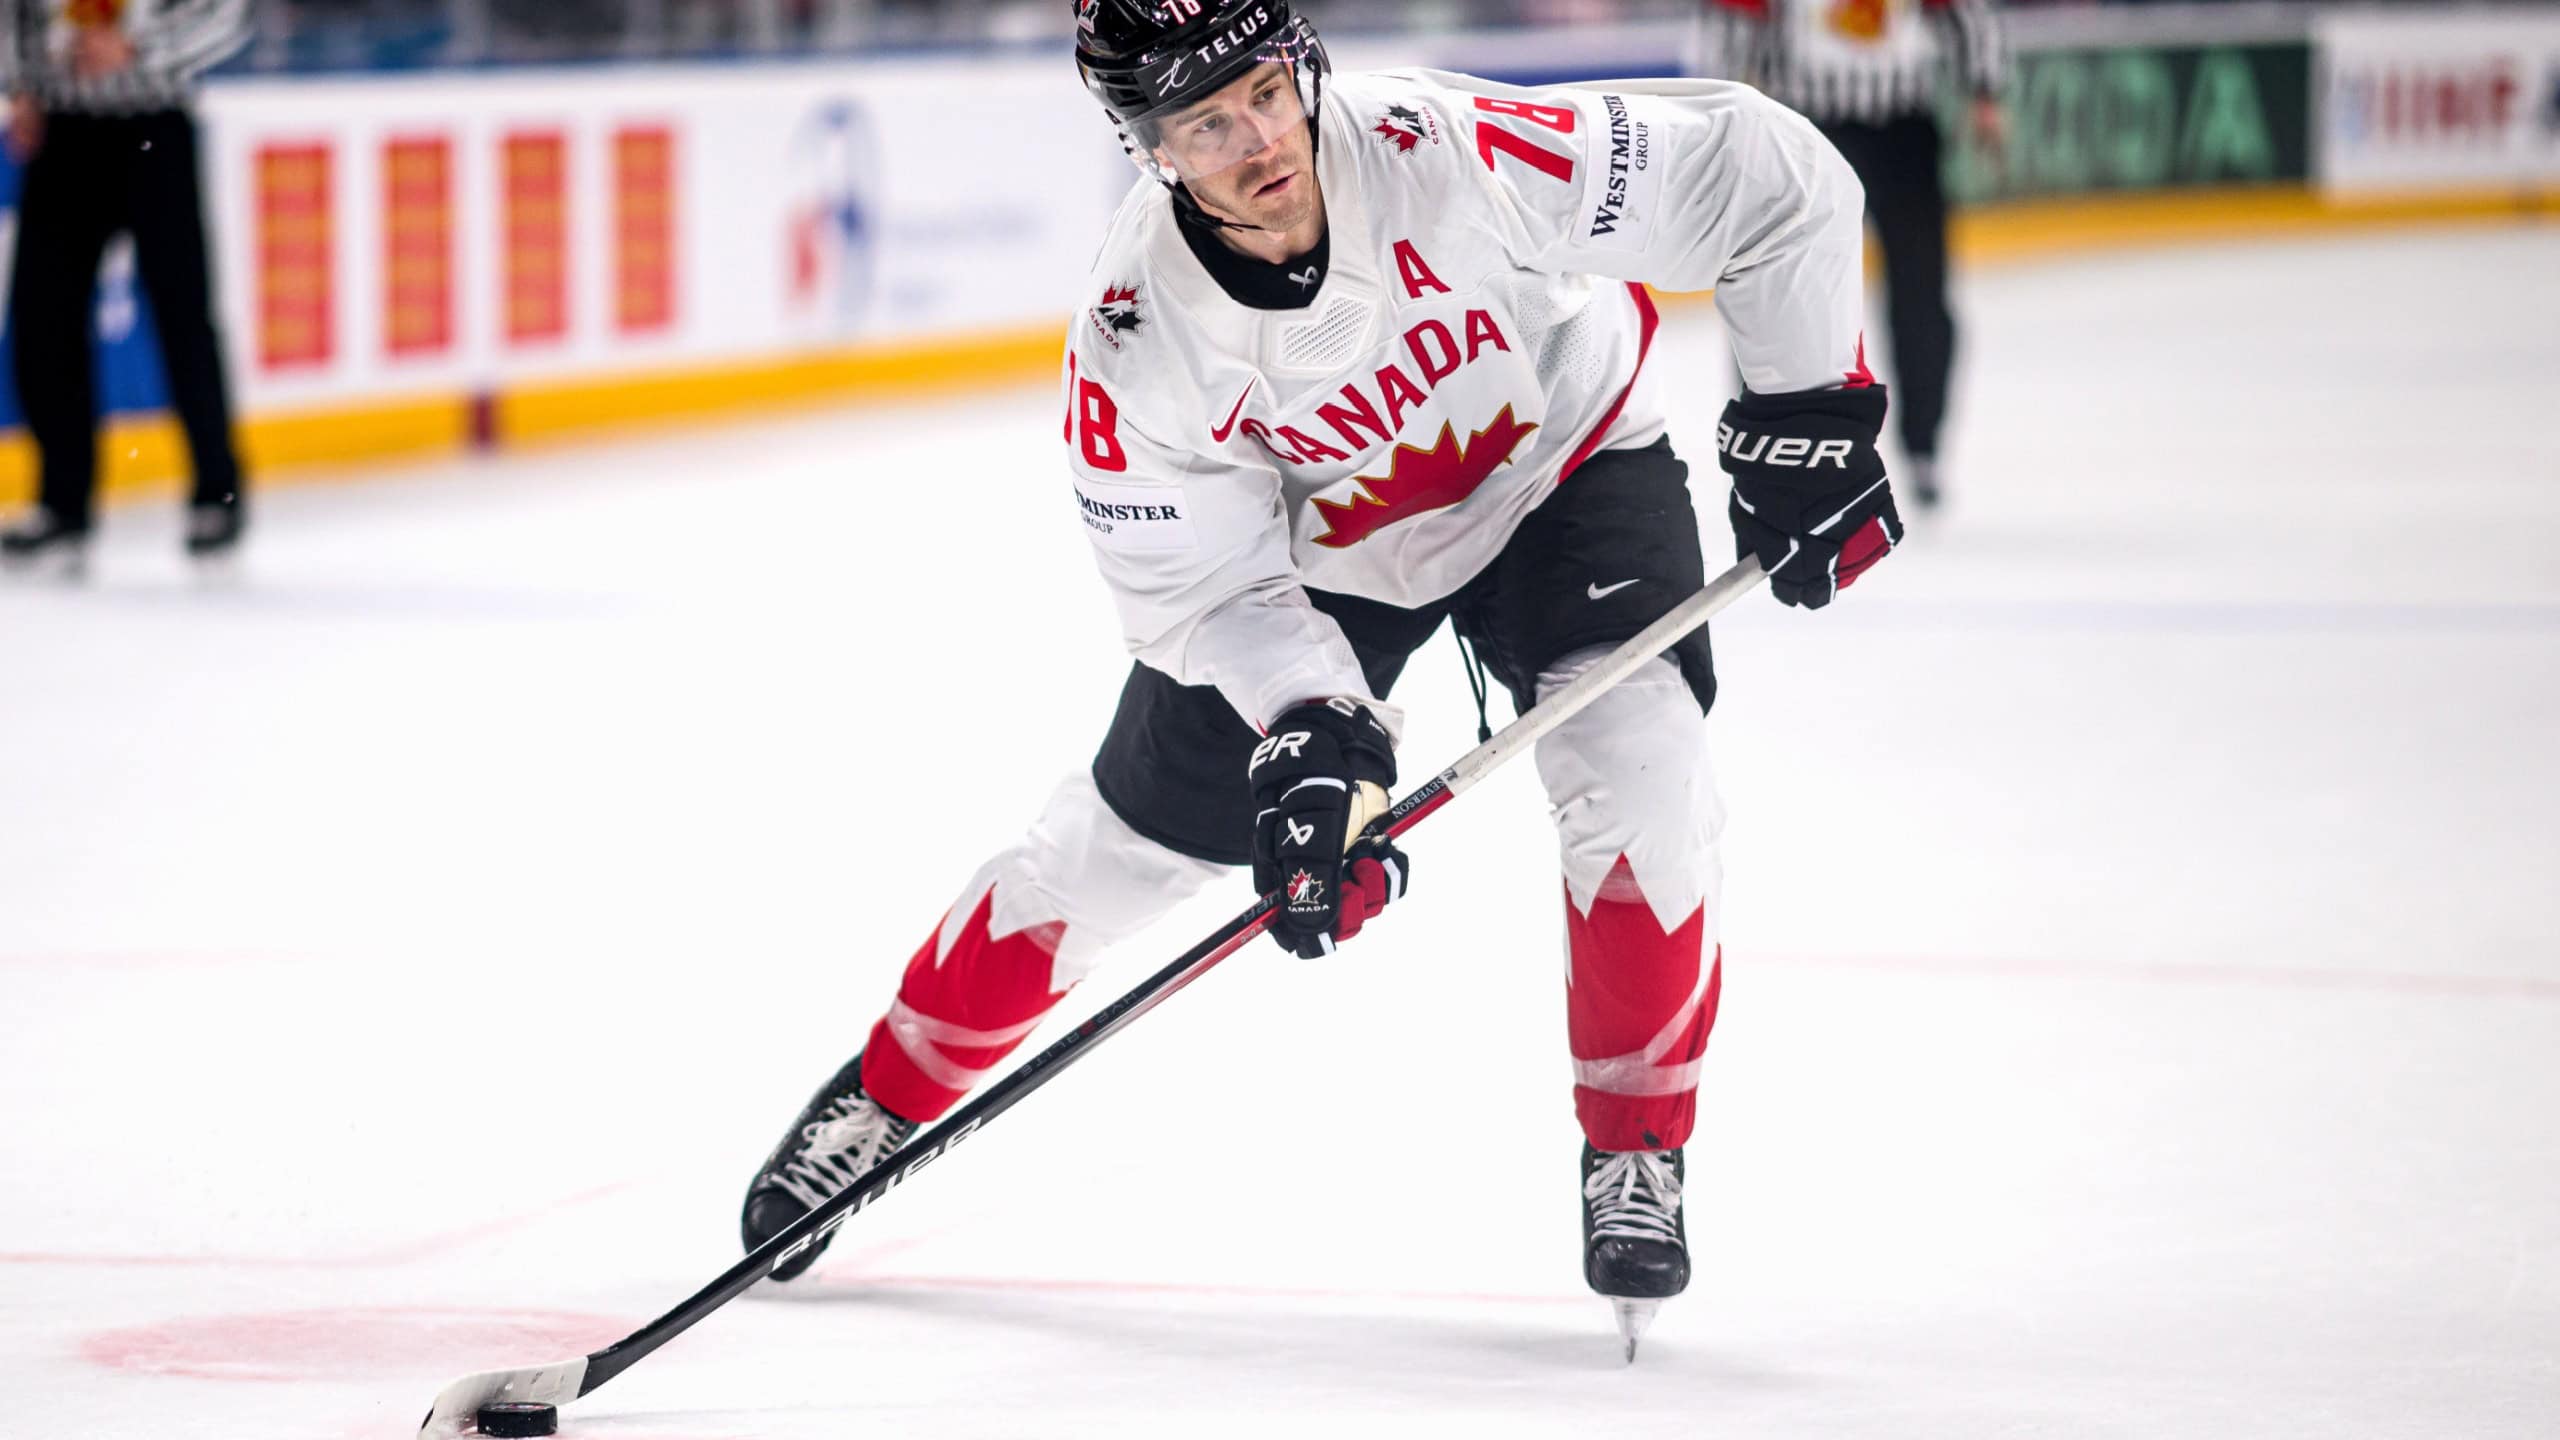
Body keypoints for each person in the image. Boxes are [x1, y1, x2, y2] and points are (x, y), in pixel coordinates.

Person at [740, 0, 1900, 1352]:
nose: (1254, 141)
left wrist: (1806, 407)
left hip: (1568, 471)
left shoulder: (1448, 147)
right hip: (1323, 564)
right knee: (1116, 858)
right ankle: (883, 1096)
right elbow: (1204, 589)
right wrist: (1312, 742)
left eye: (1264, 92)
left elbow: (1762, 173)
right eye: (1203, 121)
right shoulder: (1134, 341)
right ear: (1150, 147)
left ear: (1306, 69)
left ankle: (1636, 1145)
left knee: (1643, 771)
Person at [1693, 0, 2006, 508]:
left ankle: (1923, 443)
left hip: (1903, 128)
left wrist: (1985, 91)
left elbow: (1963, 12)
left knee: (1921, 293)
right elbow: (1730, 22)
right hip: (1803, 127)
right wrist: (1725, 112)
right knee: (1781, 293)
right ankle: (1774, 438)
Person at [0, 0, 252, 575]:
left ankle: (217, 493)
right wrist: (20, 87)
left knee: (182, 314)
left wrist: (138, 47)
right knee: (45, 322)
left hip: (153, 125)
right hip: (63, 132)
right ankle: (62, 507)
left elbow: (228, 17)